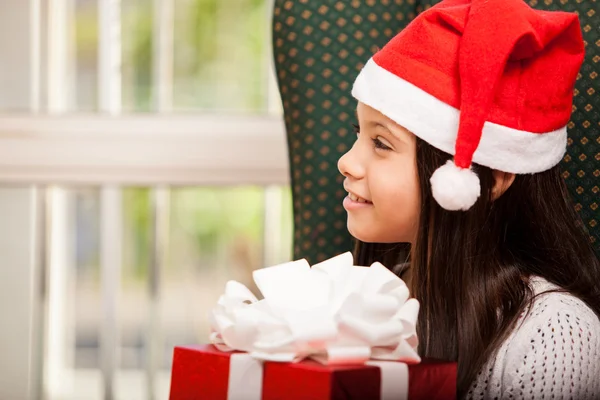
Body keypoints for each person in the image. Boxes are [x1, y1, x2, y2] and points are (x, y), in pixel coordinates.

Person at [336, 0, 600, 398]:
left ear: (490, 179)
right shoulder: (368, 296)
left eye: (381, 143)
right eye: (358, 134)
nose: (346, 162)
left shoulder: (553, 335)